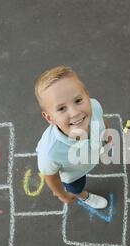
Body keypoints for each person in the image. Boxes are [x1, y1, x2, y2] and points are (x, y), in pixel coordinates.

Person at [34, 66, 110, 209]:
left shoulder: (95, 106)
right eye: (62, 108)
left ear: (87, 96)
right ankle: (83, 196)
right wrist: (62, 194)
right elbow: (50, 176)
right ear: (49, 117)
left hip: (87, 157)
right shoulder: (50, 153)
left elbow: (102, 119)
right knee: (76, 188)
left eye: (78, 100)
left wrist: (107, 134)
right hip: (74, 175)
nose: (75, 112)